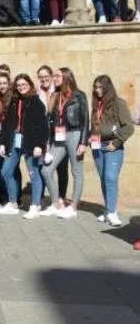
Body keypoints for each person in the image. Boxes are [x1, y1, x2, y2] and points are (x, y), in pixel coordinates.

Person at [0, 74, 48, 218]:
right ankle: (13, 203)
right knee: (6, 171)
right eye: (18, 85)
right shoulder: (14, 101)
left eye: (24, 84)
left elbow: (43, 127)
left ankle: (35, 205)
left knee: (34, 174)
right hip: (14, 142)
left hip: (30, 142)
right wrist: (3, 143)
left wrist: (40, 145)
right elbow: (7, 125)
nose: (21, 87)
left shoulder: (36, 103)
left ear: (30, 85)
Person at [40, 67, 89, 219]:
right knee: (46, 170)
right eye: (54, 76)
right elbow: (51, 121)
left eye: (57, 76)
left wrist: (83, 142)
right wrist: (48, 141)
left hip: (75, 134)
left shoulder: (79, 96)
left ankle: (73, 207)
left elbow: (86, 120)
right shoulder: (56, 95)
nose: (55, 78)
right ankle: (56, 203)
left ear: (67, 77)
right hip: (58, 137)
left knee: (76, 171)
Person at [89, 75, 135, 227]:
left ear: (108, 87)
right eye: (96, 87)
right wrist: (91, 136)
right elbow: (94, 125)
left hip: (112, 146)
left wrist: (116, 143)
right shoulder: (96, 105)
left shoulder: (119, 103)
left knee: (110, 177)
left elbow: (128, 127)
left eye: (101, 87)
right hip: (98, 146)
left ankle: (113, 212)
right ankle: (107, 210)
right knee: (103, 178)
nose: (98, 90)